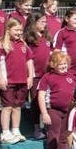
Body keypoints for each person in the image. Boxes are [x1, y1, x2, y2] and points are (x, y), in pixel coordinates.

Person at [0, 18, 34, 144]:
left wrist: (30, 76)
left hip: (22, 81)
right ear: (8, 29)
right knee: (8, 107)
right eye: (16, 30)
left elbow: (29, 60)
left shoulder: (23, 44)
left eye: (21, 30)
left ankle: (16, 130)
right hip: (8, 81)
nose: (19, 32)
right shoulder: (1, 43)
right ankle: (5, 132)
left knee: (17, 107)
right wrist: (0, 78)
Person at [38, 51, 76, 149]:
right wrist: (44, 113)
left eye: (65, 64)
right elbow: (41, 95)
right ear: (53, 65)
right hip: (53, 110)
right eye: (60, 64)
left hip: (68, 111)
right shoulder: (47, 77)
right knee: (53, 136)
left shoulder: (71, 76)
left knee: (64, 137)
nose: (63, 66)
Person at [24, 11, 52, 140]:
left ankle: (46, 127)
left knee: (46, 101)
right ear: (33, 23)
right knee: (35, 101)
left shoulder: (45, 36)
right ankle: (36, 128)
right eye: (42, 22)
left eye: (45, 22)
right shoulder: (28, 38)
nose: (44, 24)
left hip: (46, 75)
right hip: (35, 75)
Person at [53, 7, 76, 76]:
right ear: (67, 19)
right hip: (68, 71)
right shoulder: (62, 32)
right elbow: (56, 52)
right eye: (75, 19)